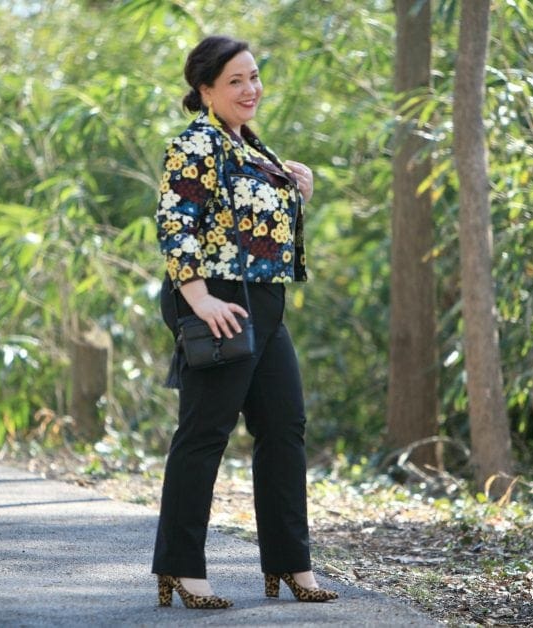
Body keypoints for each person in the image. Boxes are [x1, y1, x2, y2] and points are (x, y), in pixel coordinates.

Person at [151, 35, 339, 609]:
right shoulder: (197, 144)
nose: (250, 89)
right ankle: (182, 570)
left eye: (253, 76)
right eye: (235, 80)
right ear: (206, 90)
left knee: (284, 429)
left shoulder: (251, 146)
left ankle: (290, 565)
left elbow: (247, 220)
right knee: (205, 434)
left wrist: (295, 189)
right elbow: (174, 220)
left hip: (264, 302)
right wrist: (198, 297)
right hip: (218, 301)